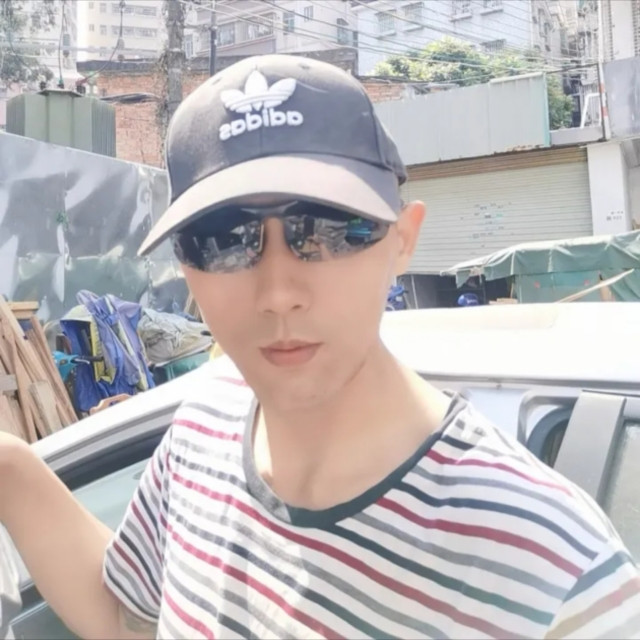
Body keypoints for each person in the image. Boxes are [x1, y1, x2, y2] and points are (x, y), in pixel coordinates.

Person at [0, 54, 638, 640]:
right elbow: (129, 620)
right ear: (185, 266)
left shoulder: (559, 575)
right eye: (224, 239)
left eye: (330, 229)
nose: (279, 292)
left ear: (403, 239)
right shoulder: (203, 427)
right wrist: (13, 468)